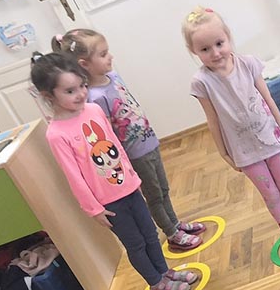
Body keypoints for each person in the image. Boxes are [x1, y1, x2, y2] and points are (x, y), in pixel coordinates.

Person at [30, 53, 196, 290]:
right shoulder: (56, 134)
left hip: (129, 187)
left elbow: (115, 145)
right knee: (136, 244)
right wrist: (94, 209)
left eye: (82, 86)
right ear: (48, 96)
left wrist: (132, 177)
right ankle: (156, 284)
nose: (81, 94)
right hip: (109, 204)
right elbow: (73, 176)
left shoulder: (94, 110)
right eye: (70, 91)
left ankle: (164, 272)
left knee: (151, 234)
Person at [184, 7, 280, 260]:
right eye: (205, 49)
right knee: (270, 194)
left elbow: (267, 97)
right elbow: (212, 120)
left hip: (271, 138)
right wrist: (224, 154)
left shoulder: (248, 64)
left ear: (228, 37)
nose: (215, 53)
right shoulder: (201, 82)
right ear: (193, 51)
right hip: (244, 151)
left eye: (219, 43)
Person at [55, 28, 206, 251]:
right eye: (103, 54)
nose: (110, 57)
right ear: (84, 64)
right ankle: (172, 233)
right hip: (134, 153)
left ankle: (175, 223)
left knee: (163, 189)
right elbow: (106, 136)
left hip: (148, 141)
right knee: (154, 195)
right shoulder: (94, 98)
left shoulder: (114, 77)